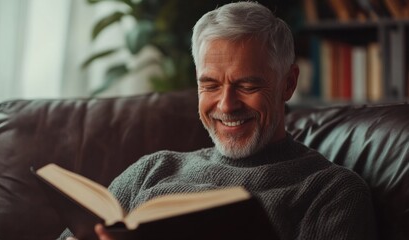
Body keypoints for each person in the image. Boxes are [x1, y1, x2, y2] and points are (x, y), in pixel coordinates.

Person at [61, 1, 377, 239]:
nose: (226, 105)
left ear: (288, 83)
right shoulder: (152, 170)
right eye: (210, 85)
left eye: (248, 85)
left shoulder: (330, 192)